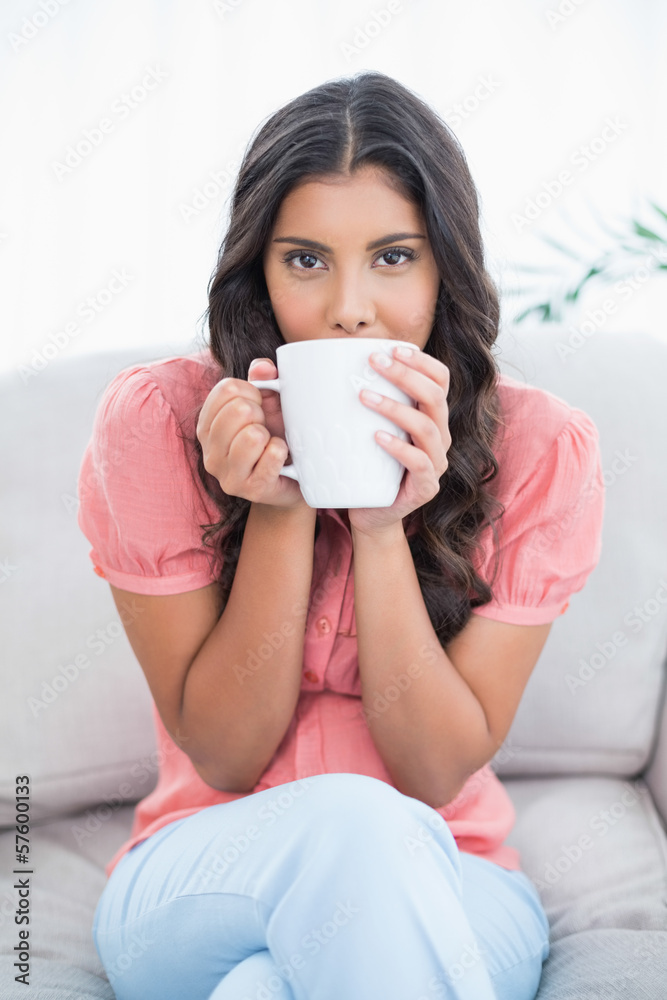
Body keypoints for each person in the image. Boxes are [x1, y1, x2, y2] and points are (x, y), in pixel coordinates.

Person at [78, 70, 605, 1000]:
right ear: (259, 271)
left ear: (447, 267)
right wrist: (281, 506)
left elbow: (433, 771)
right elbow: (228, 753)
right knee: (353, 823)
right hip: (202, 868)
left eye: (393, 258)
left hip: (453, 870)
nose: (349, 308)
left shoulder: (541, 448)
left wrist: (378, 527)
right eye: (307, 261)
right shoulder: (157, 423)